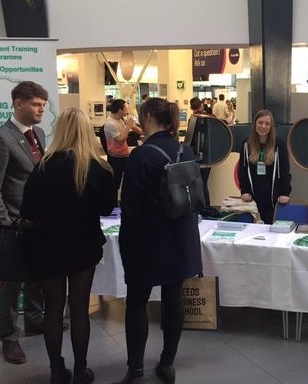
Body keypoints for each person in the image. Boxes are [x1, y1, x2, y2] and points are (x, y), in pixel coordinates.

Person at [20, 107, 114, 383]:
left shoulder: (43, 167)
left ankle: (56, 370)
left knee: (52, 308)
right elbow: (107, 207)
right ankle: (81, 369)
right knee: (79, 307)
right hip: (83, 247)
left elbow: (28, 209)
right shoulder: (97, 168)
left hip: (47, 247)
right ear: (87, 132)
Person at [116, 97, 203, 384]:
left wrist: (126, 244)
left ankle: (136, 368)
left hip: (147, 241)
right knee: (173, 299)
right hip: (180, 237)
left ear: (150, 117)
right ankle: (167, 363)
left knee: (137, 303)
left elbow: (130, 208)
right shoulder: (185, 149)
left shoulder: (141, 156)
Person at [0, 80, 57, 365]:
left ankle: (34, 321)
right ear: (18, 104)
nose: (41, 110)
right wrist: (6, 223)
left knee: (36, 275)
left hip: (38, 221)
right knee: (12, 285)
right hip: (14, 223)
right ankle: (9, 338)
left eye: (43, 105)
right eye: (36, 105)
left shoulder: (37, 134)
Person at [237, 109, 292, 224]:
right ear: (255, 124)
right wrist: (244, 191)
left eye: (267, 123)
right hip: (252, 197)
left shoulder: (279, 145)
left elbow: (285, 171)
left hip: (273, 198)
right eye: (260, 122)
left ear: (271, 126)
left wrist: (285, 193)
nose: (263, 126)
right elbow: (242, 170)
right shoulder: (246, 144)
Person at [103, 99, 142, 206]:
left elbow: (137, 129)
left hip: (124, 155)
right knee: (115, 182)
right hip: (116, 157)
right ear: (120, 109)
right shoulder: (110, 123)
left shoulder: (121, 119)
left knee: (130, 179)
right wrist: (128, 126)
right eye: (125, 108)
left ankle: (127, 201)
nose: (127, 110)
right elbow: (120, 139)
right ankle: (114, 204)